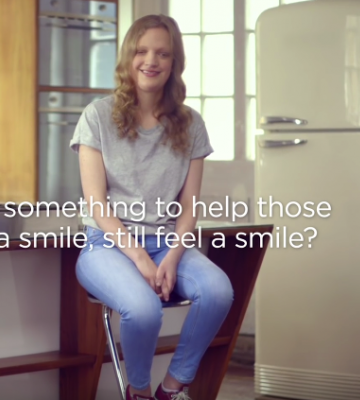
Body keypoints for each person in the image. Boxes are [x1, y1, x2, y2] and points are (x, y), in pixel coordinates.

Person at [68, 14, 235, 400]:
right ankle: (138, 392)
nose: (151, 61)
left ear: (175, 63)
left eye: (163, 53)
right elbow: (96, 203)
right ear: (129, 58)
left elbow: (190, 205)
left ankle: (172, 388)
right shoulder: (97, 116)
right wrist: (141, 258)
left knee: (218, 291)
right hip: (106, 245)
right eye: (142, 51)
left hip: (166, 242)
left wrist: (174, 255)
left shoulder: (191, 124)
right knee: (143, 311)